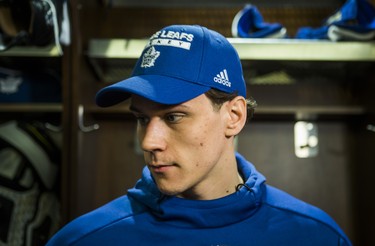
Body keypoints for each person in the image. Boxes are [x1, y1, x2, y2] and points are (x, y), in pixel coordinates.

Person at [46, 24, 351, 245]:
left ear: (234, 116)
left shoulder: (315, 236)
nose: (148, 142)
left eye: (174, 116)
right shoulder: (86, 239)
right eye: (141, 118)